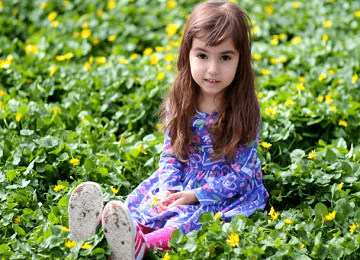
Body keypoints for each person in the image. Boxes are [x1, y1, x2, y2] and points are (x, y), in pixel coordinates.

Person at [68, 0, 269, 259]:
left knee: (192, 221)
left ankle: (140, 246)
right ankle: (94, 228)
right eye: (202, 55)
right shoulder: (182, 100)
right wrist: (168, 187)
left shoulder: (244, 108)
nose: (212, 69)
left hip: (225, 191)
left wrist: (194, 196)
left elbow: (242, 174)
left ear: (241, 59)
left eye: (225, 57)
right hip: (183, 179)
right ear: (187, 53)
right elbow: (172, 153)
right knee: (151, 206)